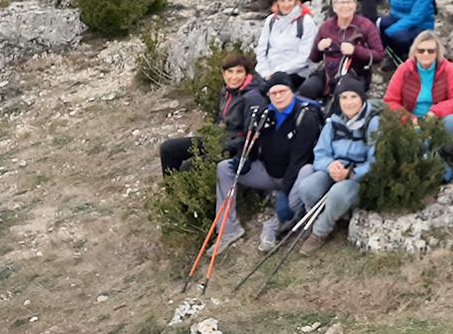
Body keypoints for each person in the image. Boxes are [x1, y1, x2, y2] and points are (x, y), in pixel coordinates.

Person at [212, 80, 322, 249]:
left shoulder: (305, 117)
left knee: (308, 170)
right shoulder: (264, 115)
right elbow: (251, 142)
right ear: (268, 96)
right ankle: (228, 230)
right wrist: (245, 159)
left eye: (282, 91)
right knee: (225, 168)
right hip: (267, 171)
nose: (278, 97)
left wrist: (284, 193)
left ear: (292, 92)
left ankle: (273, 227)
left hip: (294, 176)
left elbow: (299, 159)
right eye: (273, 93)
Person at [294, 76, 379, 255]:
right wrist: (331, 165)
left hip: (359, 178)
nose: (349, 102)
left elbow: (376, 160)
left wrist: (350, 173)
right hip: (335, 171)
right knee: (307, 187)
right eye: (344, 98)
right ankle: (326, 218)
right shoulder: (333, 122)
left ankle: (319, 232)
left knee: (339, 192)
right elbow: (320, 153)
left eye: (354, 97)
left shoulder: (373, 122)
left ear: (362, 98)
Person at [158, 53, 265, 175]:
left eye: (239, 72)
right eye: (230, 72)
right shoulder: (227, 91)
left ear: (246, 74)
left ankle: (193, 192)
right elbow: (221, 119)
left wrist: (225, 147)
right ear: (223, 74)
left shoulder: (252, 97)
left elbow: (249, 136)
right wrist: (213, 133)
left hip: (235, 148)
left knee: (189, 167)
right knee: (168, 149)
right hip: (220, 139)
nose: (234, 77)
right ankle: (174, 192)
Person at [383, 31, 453, 148]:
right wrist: (408, 118)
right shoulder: (404, 70)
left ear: (437, 52)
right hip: (411, 120)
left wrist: (435, 112)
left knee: (451, 120)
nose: (425, 54)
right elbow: (390, 100)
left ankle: (444, 153)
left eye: (431, 51)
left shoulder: (448, 69)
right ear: (415, 52)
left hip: (437, 119)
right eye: (421, 50)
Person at [297, 0, 385, 102]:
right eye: (340, 3)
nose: (345, 6)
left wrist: (355, 50)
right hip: (329, 72)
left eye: (349, 2)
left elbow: (379, 55)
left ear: (355, 5)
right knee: (306, 89)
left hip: (355, 75)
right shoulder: (326, 26)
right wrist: (319, 47)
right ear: (334, 7)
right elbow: (314, 58)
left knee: (341, 95)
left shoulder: (366, 25)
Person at [253, 0, 318, 89]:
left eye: (290, 0)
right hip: (268, 71)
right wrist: (265, 71)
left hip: (295, 72)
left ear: (296, 1)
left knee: (267, 89)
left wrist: (276, 72)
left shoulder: (306, 22)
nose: (286, 4)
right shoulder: (271, 20)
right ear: (277, 2)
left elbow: (305, 57)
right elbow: (262, 49)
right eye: (282, 0)